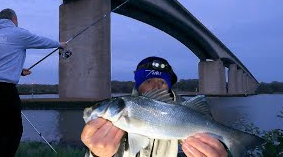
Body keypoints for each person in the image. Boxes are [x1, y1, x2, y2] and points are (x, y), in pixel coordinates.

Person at [81, 56, 228, 157]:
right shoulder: (118, 118)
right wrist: (97, 154)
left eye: (162, 82)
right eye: (149, 81)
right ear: (139, 85)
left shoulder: (188, 110)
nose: (156, 87)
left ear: (169, 86)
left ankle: (232, 138)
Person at [0, 8, 66, 157]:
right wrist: (60, 44)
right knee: (14, 130)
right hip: (5, 89)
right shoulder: (17, 33)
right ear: (14, 19)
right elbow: (40, 41)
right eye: (17, 20)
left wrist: (18, 70)